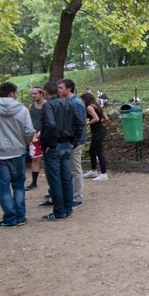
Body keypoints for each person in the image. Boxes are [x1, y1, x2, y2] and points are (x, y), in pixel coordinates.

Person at [0, 82, 34, 228]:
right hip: (18, 151)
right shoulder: (22, 109)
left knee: (4, 187)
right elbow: (29, 131)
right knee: (19, 185)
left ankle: (10, 218)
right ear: (12, 93)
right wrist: (24, 142)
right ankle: (20, 216)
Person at [41, 81, 85, 221]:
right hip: (66, 144)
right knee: (65, 178)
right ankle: (67, 208)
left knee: (55, 180)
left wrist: (51, 144)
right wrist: (74, 140)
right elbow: (80, 123)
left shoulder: (49, 105)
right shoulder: (69, 103)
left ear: (46, 92)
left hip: (56, 146)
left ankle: (60, 211)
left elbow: (50, 124)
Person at [58, 79, 87, 209]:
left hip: (74, 142)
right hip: (67, 141)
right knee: (68, 169)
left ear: (69, 89)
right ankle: (69, 195)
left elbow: (81, 123)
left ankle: (77, 197)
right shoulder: (65, 102)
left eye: (61, 88)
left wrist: (75, 142)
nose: (58, 90)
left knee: (75, 169)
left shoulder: (76, 103)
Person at [81, 92, 109, 181]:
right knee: (91, 151)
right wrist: (100, 124)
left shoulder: (89, 107)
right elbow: (106, 118)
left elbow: (96, 118)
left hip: (97, 131)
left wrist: (86, 123)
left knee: (99, 152)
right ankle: (93, 171)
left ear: (86, 99)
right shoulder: (97, 106)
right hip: (100, 130)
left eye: (82, 100)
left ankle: (104, 174)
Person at [25, 86, 47, 191]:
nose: (33, 95)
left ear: (41, 93)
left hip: (46, 135)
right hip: (35, 136)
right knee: (35, 158)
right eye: (32, 94)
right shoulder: (31, 106)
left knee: (49, 158)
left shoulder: (47, 105)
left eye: (35, 93)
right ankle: (34, 182)